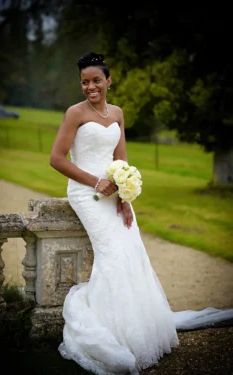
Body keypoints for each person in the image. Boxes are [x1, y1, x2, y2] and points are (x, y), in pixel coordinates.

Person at [50, 52, 233, 375]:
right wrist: (96, 182)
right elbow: (57, 159)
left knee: (133, 253)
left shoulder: (118, 112)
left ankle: (138, 330)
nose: (90, 87)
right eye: (84, 82)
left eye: (96, 80)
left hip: (113, 194)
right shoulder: (74, 113)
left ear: (109, 80)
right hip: (86, 192)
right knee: (113, 255)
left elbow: (121, 159)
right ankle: (112, 332)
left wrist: (123, 195)